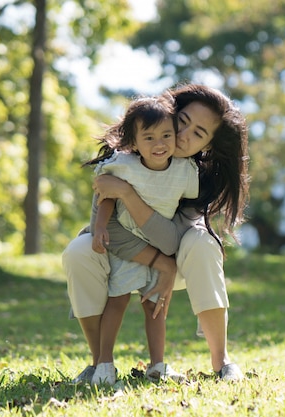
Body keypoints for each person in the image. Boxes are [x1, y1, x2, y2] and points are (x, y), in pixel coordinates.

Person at [63, 83, 250, 384]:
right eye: (183, 120)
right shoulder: (130, 154)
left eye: (198, 133)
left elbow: (170, 242)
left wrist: (127, 194)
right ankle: (99, 363)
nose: (182, 134)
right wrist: (156, 258)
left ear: (209, 145)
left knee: (202, 242)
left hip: (174, 260)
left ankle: (222, 361)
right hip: (119, 250)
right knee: (78, 251)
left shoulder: (194, 176)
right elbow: (107, 224)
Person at [85, 94, 199, 385]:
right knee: (118, 299)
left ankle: (158, 365)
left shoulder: (185, 171)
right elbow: (106, 197)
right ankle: (105, 365)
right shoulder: (125, 166)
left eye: (166, 135)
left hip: (160, 245)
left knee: (156, 304)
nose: (159, 144)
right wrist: (99, 228)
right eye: (148, 138)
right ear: (134, 143)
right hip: (125, 244)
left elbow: (193, 208)